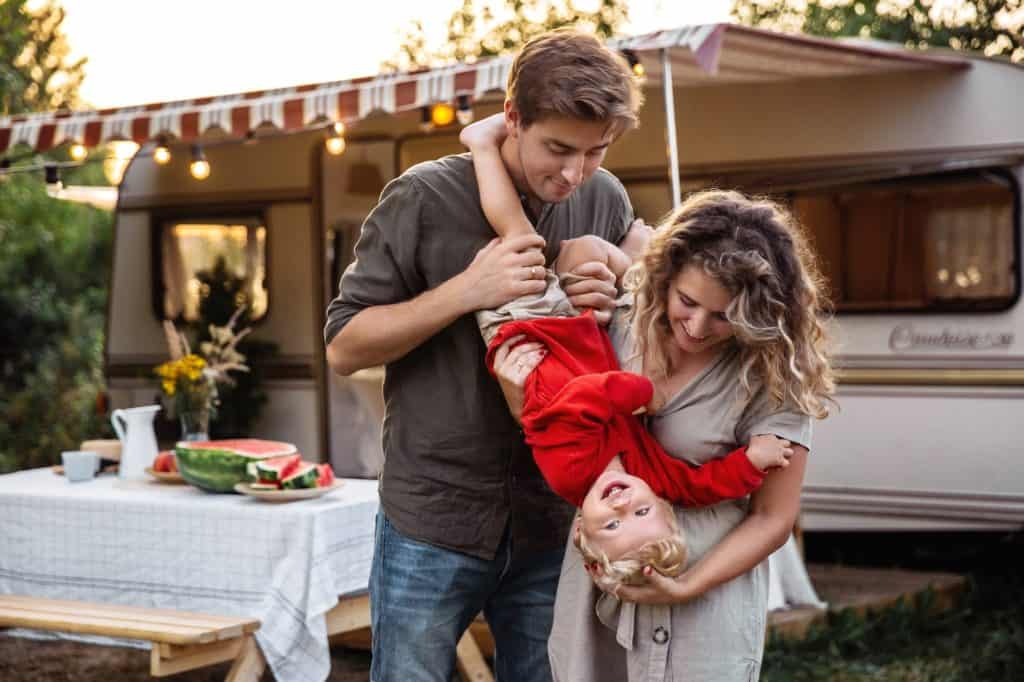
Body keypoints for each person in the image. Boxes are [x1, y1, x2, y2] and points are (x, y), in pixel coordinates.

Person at [324, 29, 643, 682]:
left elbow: (627, 341)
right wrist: (466, 292)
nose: (575, 173)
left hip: (555, 518)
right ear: (513, 118)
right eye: (558, 148)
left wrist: (610, 291)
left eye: (595, 151)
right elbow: (344, 345)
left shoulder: (604, 198)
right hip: (434, 517)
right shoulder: (422, 196)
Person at [498, 189, 835, 681]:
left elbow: (773, 518)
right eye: (687, 301)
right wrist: (518, 393)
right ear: (666, 276)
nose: (697, 327)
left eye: (724, 316)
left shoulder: (774, 373)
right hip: (601, 593)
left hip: (707, 601)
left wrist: (687, 586)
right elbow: (561, 440)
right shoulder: (619, 320)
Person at [460, 118, 795, 590]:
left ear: (582, 527)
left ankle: (480, 148)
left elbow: (578, 402)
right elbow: (696, 488)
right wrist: (751, 462)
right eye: (641, 511)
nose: (623, 505)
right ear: (659, 503)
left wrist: (641, 391)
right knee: (555, 246)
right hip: (576, 337)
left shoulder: (570, 475)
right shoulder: (649, 476)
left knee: (519, 237)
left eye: (612, 523)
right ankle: (622, 241)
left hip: (528, 337)